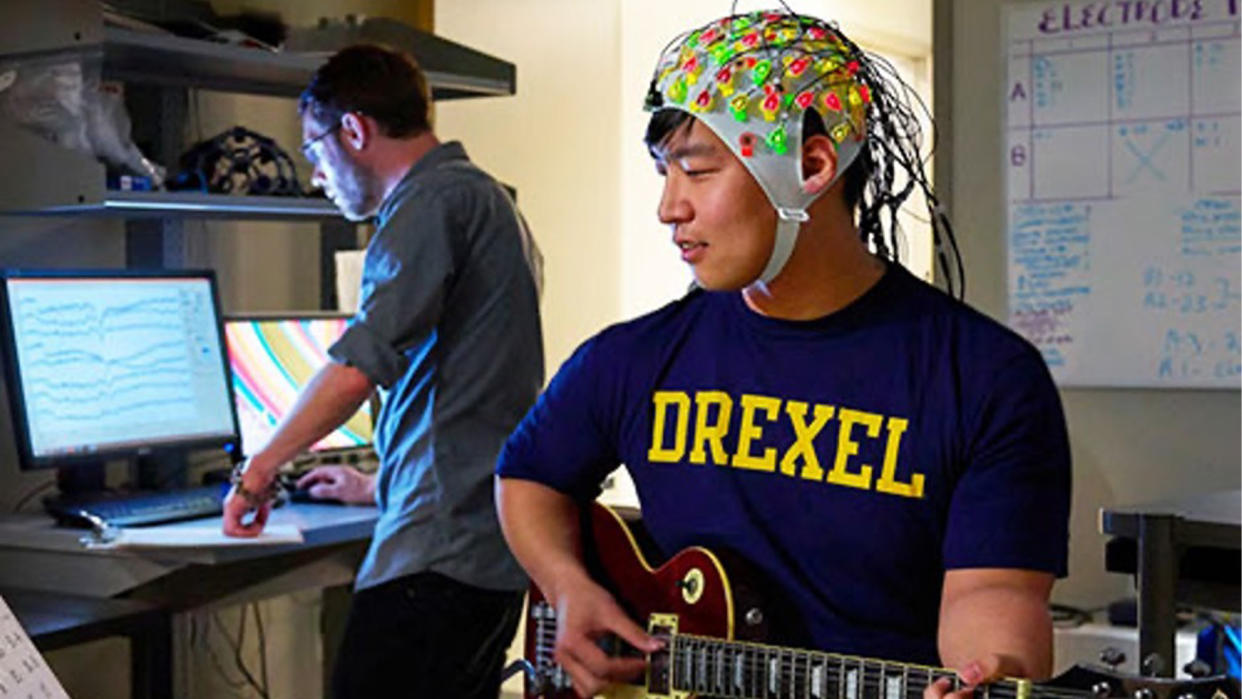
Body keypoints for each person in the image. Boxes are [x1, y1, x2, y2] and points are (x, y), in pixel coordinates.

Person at [495, 9, 1070, 698]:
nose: (669, 208)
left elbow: (996, 591)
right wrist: (568, 585)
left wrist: (993, 672)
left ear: (813, 166)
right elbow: (526, 475)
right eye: (663, 173)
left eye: (698, 172)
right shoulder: (634, 358)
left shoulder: (984, 378)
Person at [221, 44, 545, 698]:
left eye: (314, 151)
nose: (316, 175)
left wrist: (258, 472)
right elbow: (474, 392)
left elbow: (356, 368)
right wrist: (380, 485)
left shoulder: (426, 205)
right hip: (484, 545)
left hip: (439, 558)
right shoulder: (488, 200)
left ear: (354, 130)